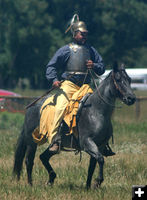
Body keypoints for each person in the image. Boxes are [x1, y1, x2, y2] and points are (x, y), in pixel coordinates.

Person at [45, 15, 115, 156]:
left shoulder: (91, 50)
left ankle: (103, 142)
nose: (84, 36)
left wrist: (94, 65)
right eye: (82, 34)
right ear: (75, 33)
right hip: (69, 85)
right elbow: (51, 66)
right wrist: (54, 80)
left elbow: (101, 67)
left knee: (100, 107)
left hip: (85, 86)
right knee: (60, 107)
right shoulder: (66, 50)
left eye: (86, 34)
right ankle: (56, 140)